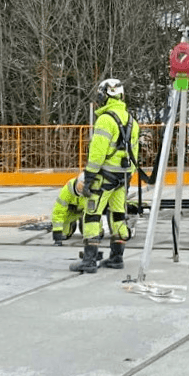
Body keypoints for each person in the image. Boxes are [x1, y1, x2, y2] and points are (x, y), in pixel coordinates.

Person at [69, 77, 140, 274]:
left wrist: (89, 176)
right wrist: (129, 176)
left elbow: (97, 153)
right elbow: (135, 152)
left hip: (104, 176)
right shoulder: (132, 121)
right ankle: (117, 257)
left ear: (105, 96)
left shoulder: (105, 120)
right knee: (118, 215)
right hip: (122, 177)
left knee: (92, 214)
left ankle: (90, 260)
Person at [50, 173, 87, 244]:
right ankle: (71, 224)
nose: (82, 188)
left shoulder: (92, 191)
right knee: (64, 234)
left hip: (85, 213)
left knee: (92, 231)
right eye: (81, 185)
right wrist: (57, 234)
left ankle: (84, 226)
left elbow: (93, 212)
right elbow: (58, 211)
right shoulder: (67, 190)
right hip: (71, 212)